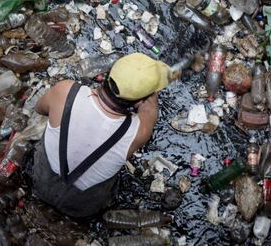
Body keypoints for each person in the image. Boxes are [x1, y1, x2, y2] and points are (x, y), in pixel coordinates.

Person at [30, 53, 170, 218]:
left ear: (108, 73)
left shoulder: (66, 91)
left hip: (39, 181)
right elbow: (150, 112)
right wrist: (148, 92)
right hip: (81, 208)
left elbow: (39, 109)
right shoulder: (139, 132)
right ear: (140, 101)